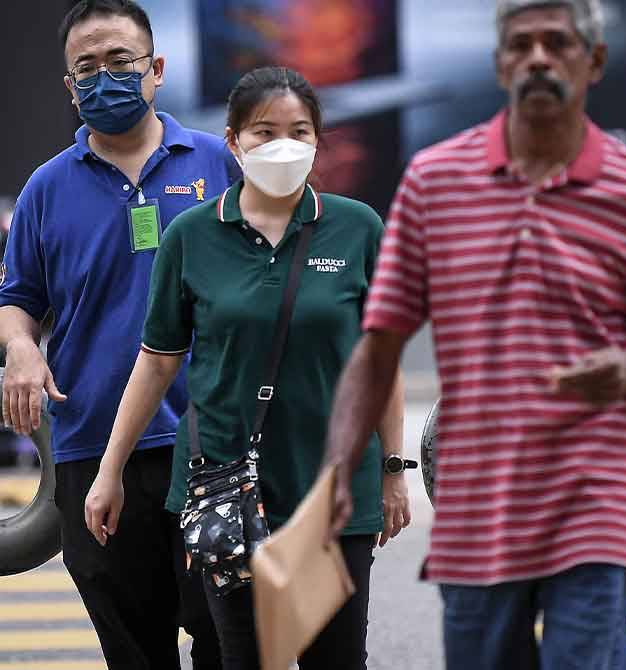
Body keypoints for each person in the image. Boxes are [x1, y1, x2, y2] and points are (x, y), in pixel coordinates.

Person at [320, 2, 626, 668]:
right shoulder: (434, 182)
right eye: (520, 43)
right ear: (500, 62)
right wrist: (338, 468)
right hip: (478, 513)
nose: (537, 57)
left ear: (594, 61)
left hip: (597, 507)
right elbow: (379, 346)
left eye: (556, 43)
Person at [84, 65, 409, 670]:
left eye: (300, 131)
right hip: (227, 490)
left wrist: (393, 469)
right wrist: (110, 471)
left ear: (319, 140)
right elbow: (157, 362)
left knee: (337, 660)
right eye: (264, 132)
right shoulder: (191, 235)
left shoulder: (358, 227)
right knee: (245, 658)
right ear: (232, 141)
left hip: (336, 491)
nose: (283, 145)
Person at [0, 1, 240, 667]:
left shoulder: (221, 166)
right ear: (70, 88)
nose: (104, 78)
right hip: (91, 447)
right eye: (87, 68)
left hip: (214, 445)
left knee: (228, 638)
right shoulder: (46, 189)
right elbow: (18, 299)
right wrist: (20, 346)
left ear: (155, 69)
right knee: (134, 649)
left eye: (120, 62)